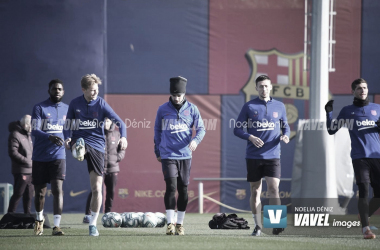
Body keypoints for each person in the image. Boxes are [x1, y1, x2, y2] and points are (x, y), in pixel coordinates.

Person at [64, 74, 127, 237]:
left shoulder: (101, 104)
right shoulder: (75, 103)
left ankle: (93, 224)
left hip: (98, 146)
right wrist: (68, 138)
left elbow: (121, 122)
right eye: (92, 90)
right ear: (83, 89)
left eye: (97, 90)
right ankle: (79, 149)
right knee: (79, 145)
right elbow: (68, 124)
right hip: (80, 140)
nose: (95, 93)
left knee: (97, 188)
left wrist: (124, 137)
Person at [233, 75, 290, 236]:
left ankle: (277, 224)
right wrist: (250, 137)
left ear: (271, 87)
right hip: (253, 155)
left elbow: (286, 127)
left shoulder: (279, 106)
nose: (263, 89)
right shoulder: (249, 106)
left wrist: (285, 135)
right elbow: (237, 129)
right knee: (255, 191)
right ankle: (258, 226)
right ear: (256, 88)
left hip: (273, 155)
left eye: (266, 86)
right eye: (260, 86)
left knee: (274, 188)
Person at [326, 78, 380, 239]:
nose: (362, 90)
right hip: (359, 157)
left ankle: (364, 214)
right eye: (358, 88)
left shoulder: (377, 108)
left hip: (377, 157)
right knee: (363, 190)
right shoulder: (347, 111)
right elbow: (331, 130)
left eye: (364, 87)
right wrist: (328, 112)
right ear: (353, 92)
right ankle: (366, 229)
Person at [154, 76, 206, 236]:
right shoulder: (163, 109)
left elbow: (202, 129)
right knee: (171, 187)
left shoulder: (193, 109)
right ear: (170, 94)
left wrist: (196, 141)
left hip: (185, 155)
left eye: (180, 95)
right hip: (168, 154)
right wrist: (157, 150)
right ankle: (169, 223)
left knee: (183, 189)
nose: (177, 98)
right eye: (174, 95)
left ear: (184, 94)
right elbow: (157, 131)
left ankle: (180, 224)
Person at [31, 79, 69, 236]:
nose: (57, 91)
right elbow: (34, 130)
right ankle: (39, 222)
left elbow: (71, 130)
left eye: (60, 89)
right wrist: (49, 137)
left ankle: (56, 226)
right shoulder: (39, 107)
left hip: (58, 156)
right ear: (49, 91)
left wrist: (72, 140)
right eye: (54, 89)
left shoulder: (68, 109)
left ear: (63, 91)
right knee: (40, 192)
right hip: (40, 157)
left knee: (57, 190)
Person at [83, 117, 126, 223]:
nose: (105, 123)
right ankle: (88, 215)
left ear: (111, 122)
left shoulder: (117, 134)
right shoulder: (96, 134)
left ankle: (107, 214)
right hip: (99, 167)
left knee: (110, 192)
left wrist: (116, 158)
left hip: (113, 168)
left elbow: (122, 150)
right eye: (104, 121)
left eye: (107, 121)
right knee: (95, 190)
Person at [7, 115, 34, 214]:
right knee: (18, 194)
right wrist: (28, 161)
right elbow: (13, 152)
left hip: (31, 170)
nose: (33, 126)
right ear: (26, 124)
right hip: (21, 170)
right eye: (31, 124)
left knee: (29, 195)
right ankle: (10, 216)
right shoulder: (15, 134)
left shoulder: (28, 135)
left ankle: (27, 216)